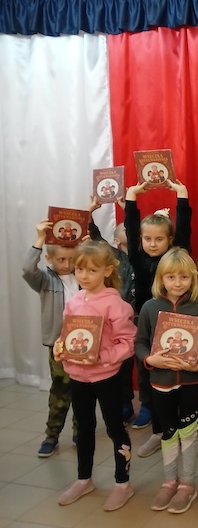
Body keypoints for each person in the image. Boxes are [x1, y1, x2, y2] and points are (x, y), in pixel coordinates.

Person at [54, 241, 137, 511]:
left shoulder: (115, 305)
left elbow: (129, 342)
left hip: (107, 378)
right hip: (78, 377)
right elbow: (67, 334)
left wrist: (105, 357)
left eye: (92, 270)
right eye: (80, 270)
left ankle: (123, 483)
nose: (84, 276)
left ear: (107, 271)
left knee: (115, 428)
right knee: (84, 428)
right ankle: (84, 479)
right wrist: (60, 348)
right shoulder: (74, 301)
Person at [134, 248, 198, 514]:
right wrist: (150, 360)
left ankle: (188, 484)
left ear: (192, 278)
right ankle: (170, 481)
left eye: (184, 277)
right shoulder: (150, 307)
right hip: (161, 382)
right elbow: (140, 343)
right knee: (168, 432)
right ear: (161, 279)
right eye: (171, 277)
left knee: (189, 433)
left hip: (191, 382)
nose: (178, 283)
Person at [125, 177, 192, 460]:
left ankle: (183, 427)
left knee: (177, 374)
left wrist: (182, 195)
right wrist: (132, 196)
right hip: (146, 321)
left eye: (159, 239)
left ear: (170, 240)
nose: (152, 244)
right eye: (148, 239)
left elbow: (184, 229)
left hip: (177, 323)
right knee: (147, 371)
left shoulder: (176, 256)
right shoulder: (137, 257)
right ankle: (152, 417)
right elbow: (130, 229)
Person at [23, 217, 79, 457]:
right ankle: (52, 435)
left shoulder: (83, 277)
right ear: (49, 258)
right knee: (60, 390)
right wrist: (39, 238)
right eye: (61, 260)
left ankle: (80, 432)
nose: (67, 265)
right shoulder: (45, 280)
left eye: (71, 259)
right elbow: (28, 270)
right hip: (59, 345)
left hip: (85, 343)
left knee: (82, 391)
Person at [87, 196, 137, 424]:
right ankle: (123, 404)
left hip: (137, 316)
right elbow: (95, 237)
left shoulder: (141, 255)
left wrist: (129, 211)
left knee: (133, 364)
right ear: (116, 239)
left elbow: (135, 230)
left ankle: (137, 404)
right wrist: (90, 212)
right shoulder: (113, 257)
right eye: (124, 229)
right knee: (120, 366)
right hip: (114, 319)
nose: (130, 231)